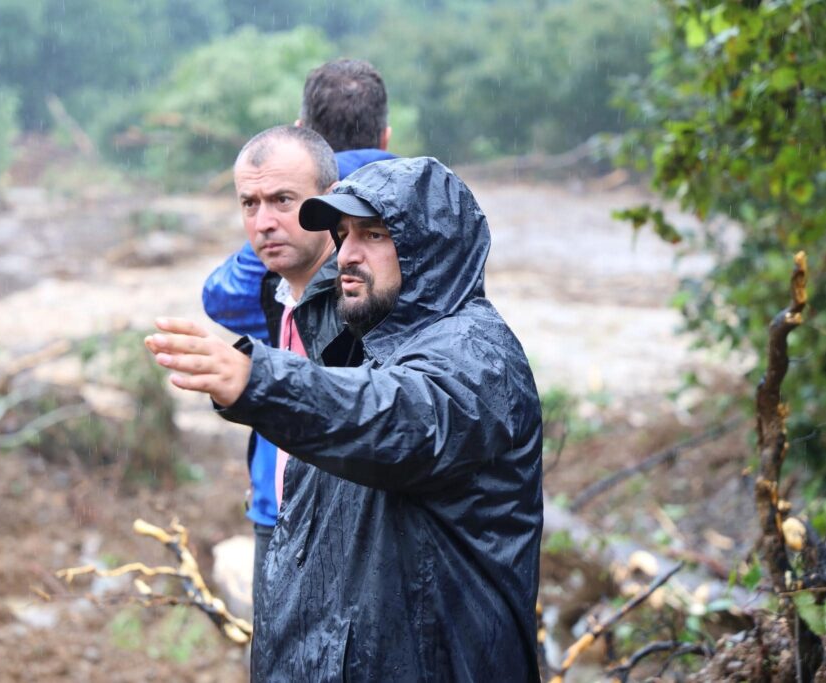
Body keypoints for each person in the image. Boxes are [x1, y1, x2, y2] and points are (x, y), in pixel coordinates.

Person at [146, 157, 543, 681]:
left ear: (429, 249)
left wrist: (258, 380)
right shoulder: (358, 345)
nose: (347, 255)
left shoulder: (477, 356)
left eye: (373, 235)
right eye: (343, 235)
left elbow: (395, 422)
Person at [201, 59, 396, 594]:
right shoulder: (421, 210)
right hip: (380, 495)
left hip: (285, 493)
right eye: (252, 205)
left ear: (303, 133)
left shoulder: (301, 242)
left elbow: (223, 298)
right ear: (387, 135)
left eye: (284, 200)